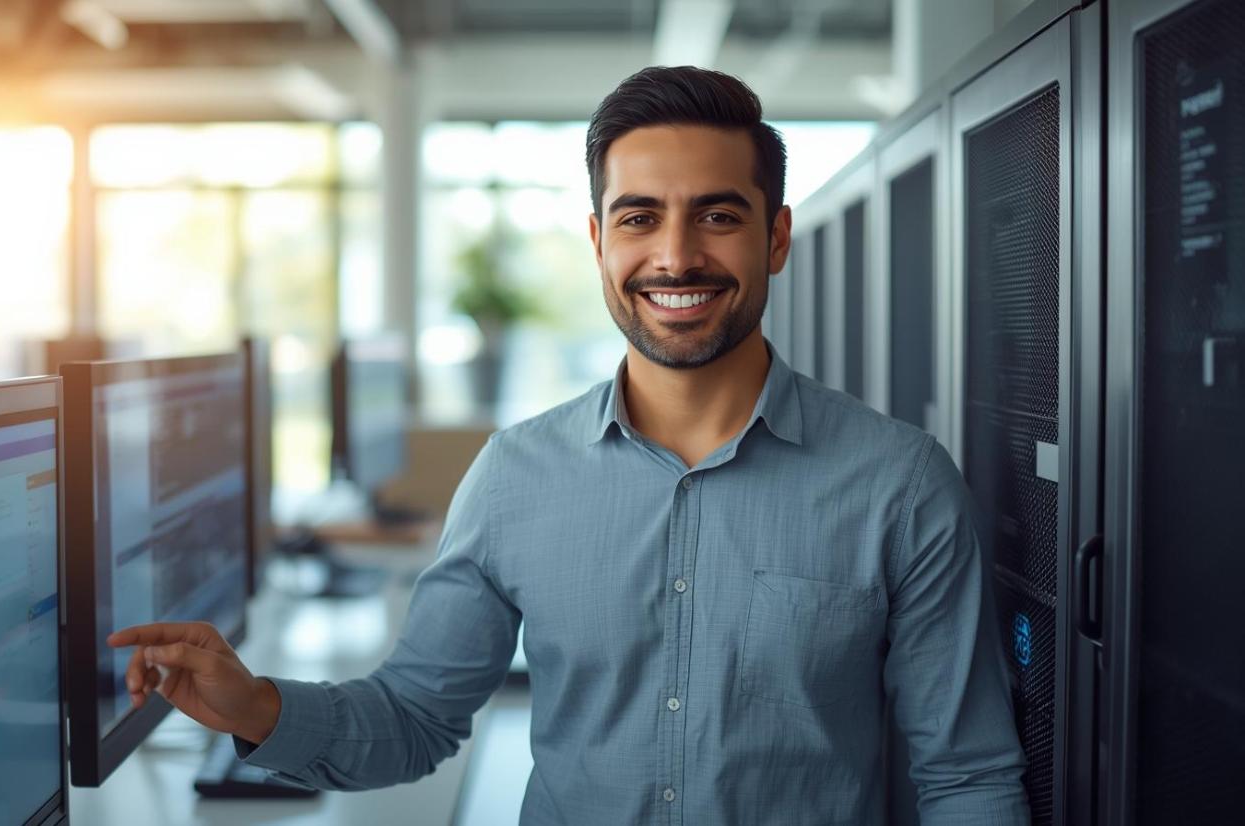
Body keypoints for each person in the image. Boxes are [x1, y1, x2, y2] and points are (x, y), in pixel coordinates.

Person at [109, 66, 1030, 824]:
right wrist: (258, 708)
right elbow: (415, 718)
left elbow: (967, 778)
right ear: (597, 241)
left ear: (775, 237)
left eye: (717, 215)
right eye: (638, 217)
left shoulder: (898, 484)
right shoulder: (516, 476)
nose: (675, 257)